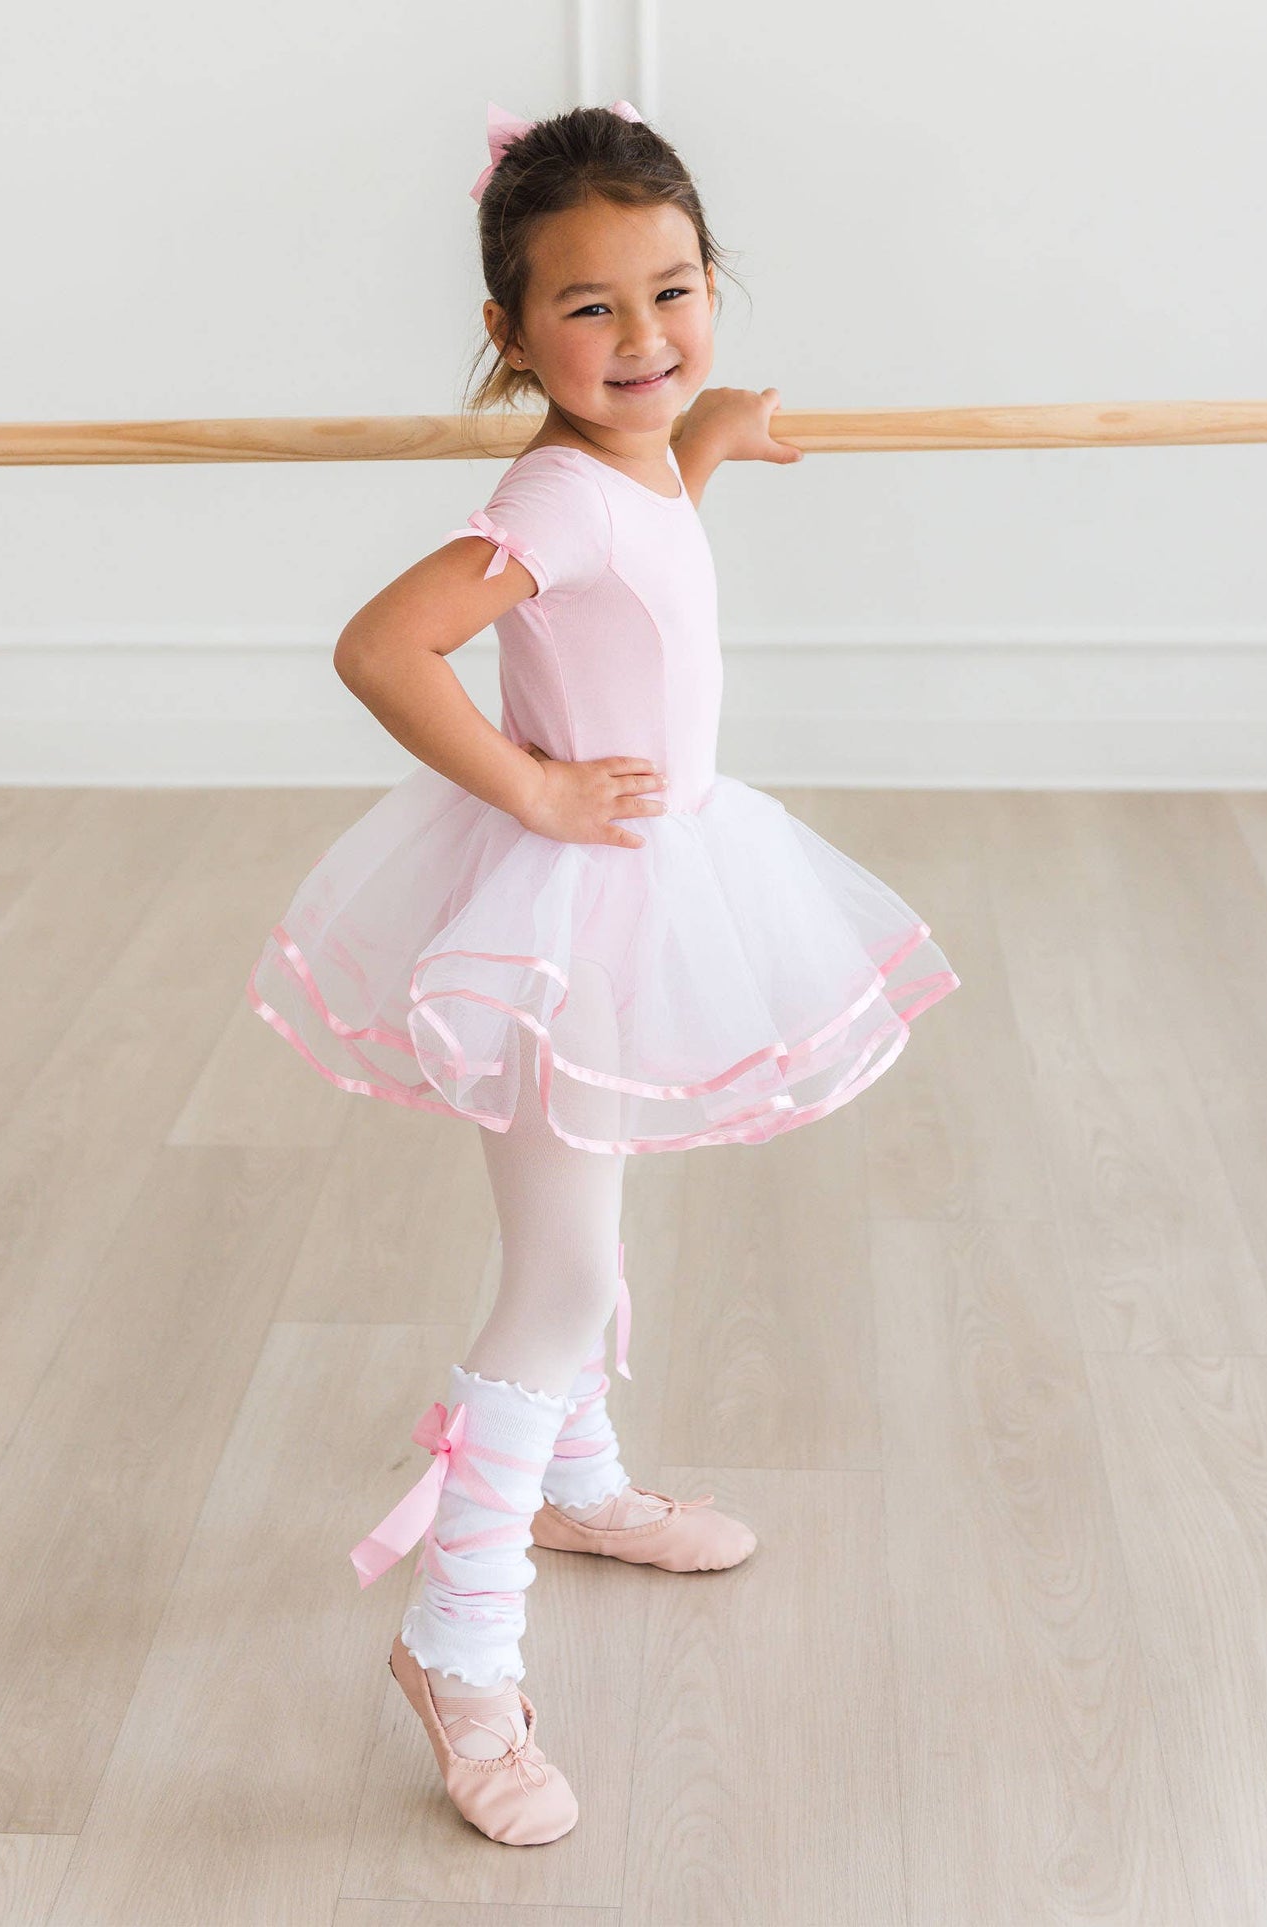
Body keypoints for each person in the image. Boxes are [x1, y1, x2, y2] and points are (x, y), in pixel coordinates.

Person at [247, 99, 961, 1846]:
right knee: (556, 1282)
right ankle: (457, 1645)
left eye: (675, 291)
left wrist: (699, 443)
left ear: (716, 280)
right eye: (589, 310)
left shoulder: (627, 457)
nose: (642, 339)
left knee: (592, 1221)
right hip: (572, 907)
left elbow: (631, 558)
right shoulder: (551, 488)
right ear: (509, 334)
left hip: (654, 887)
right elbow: (381, 644)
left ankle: (573, 1481)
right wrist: (535, 789)